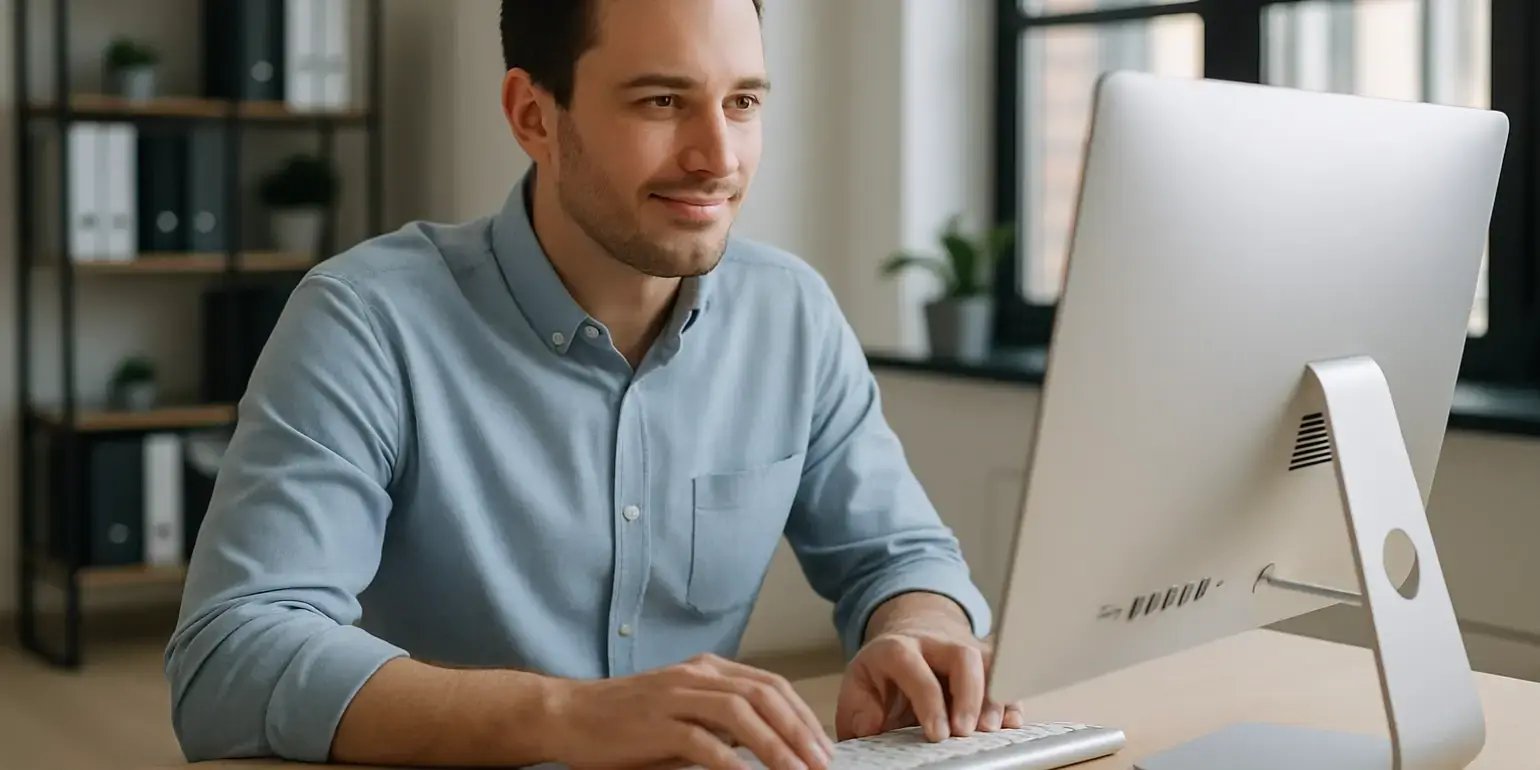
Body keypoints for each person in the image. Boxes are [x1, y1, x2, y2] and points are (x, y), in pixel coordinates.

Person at [165, 1, 1022, 767]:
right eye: (661, 101)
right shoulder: (365, 319)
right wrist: (568, 717)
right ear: (533, 115)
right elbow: (230, 655)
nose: (717, 157)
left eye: (744, 102)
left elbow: (901, 554)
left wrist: (920, 633)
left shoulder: (790, 313)